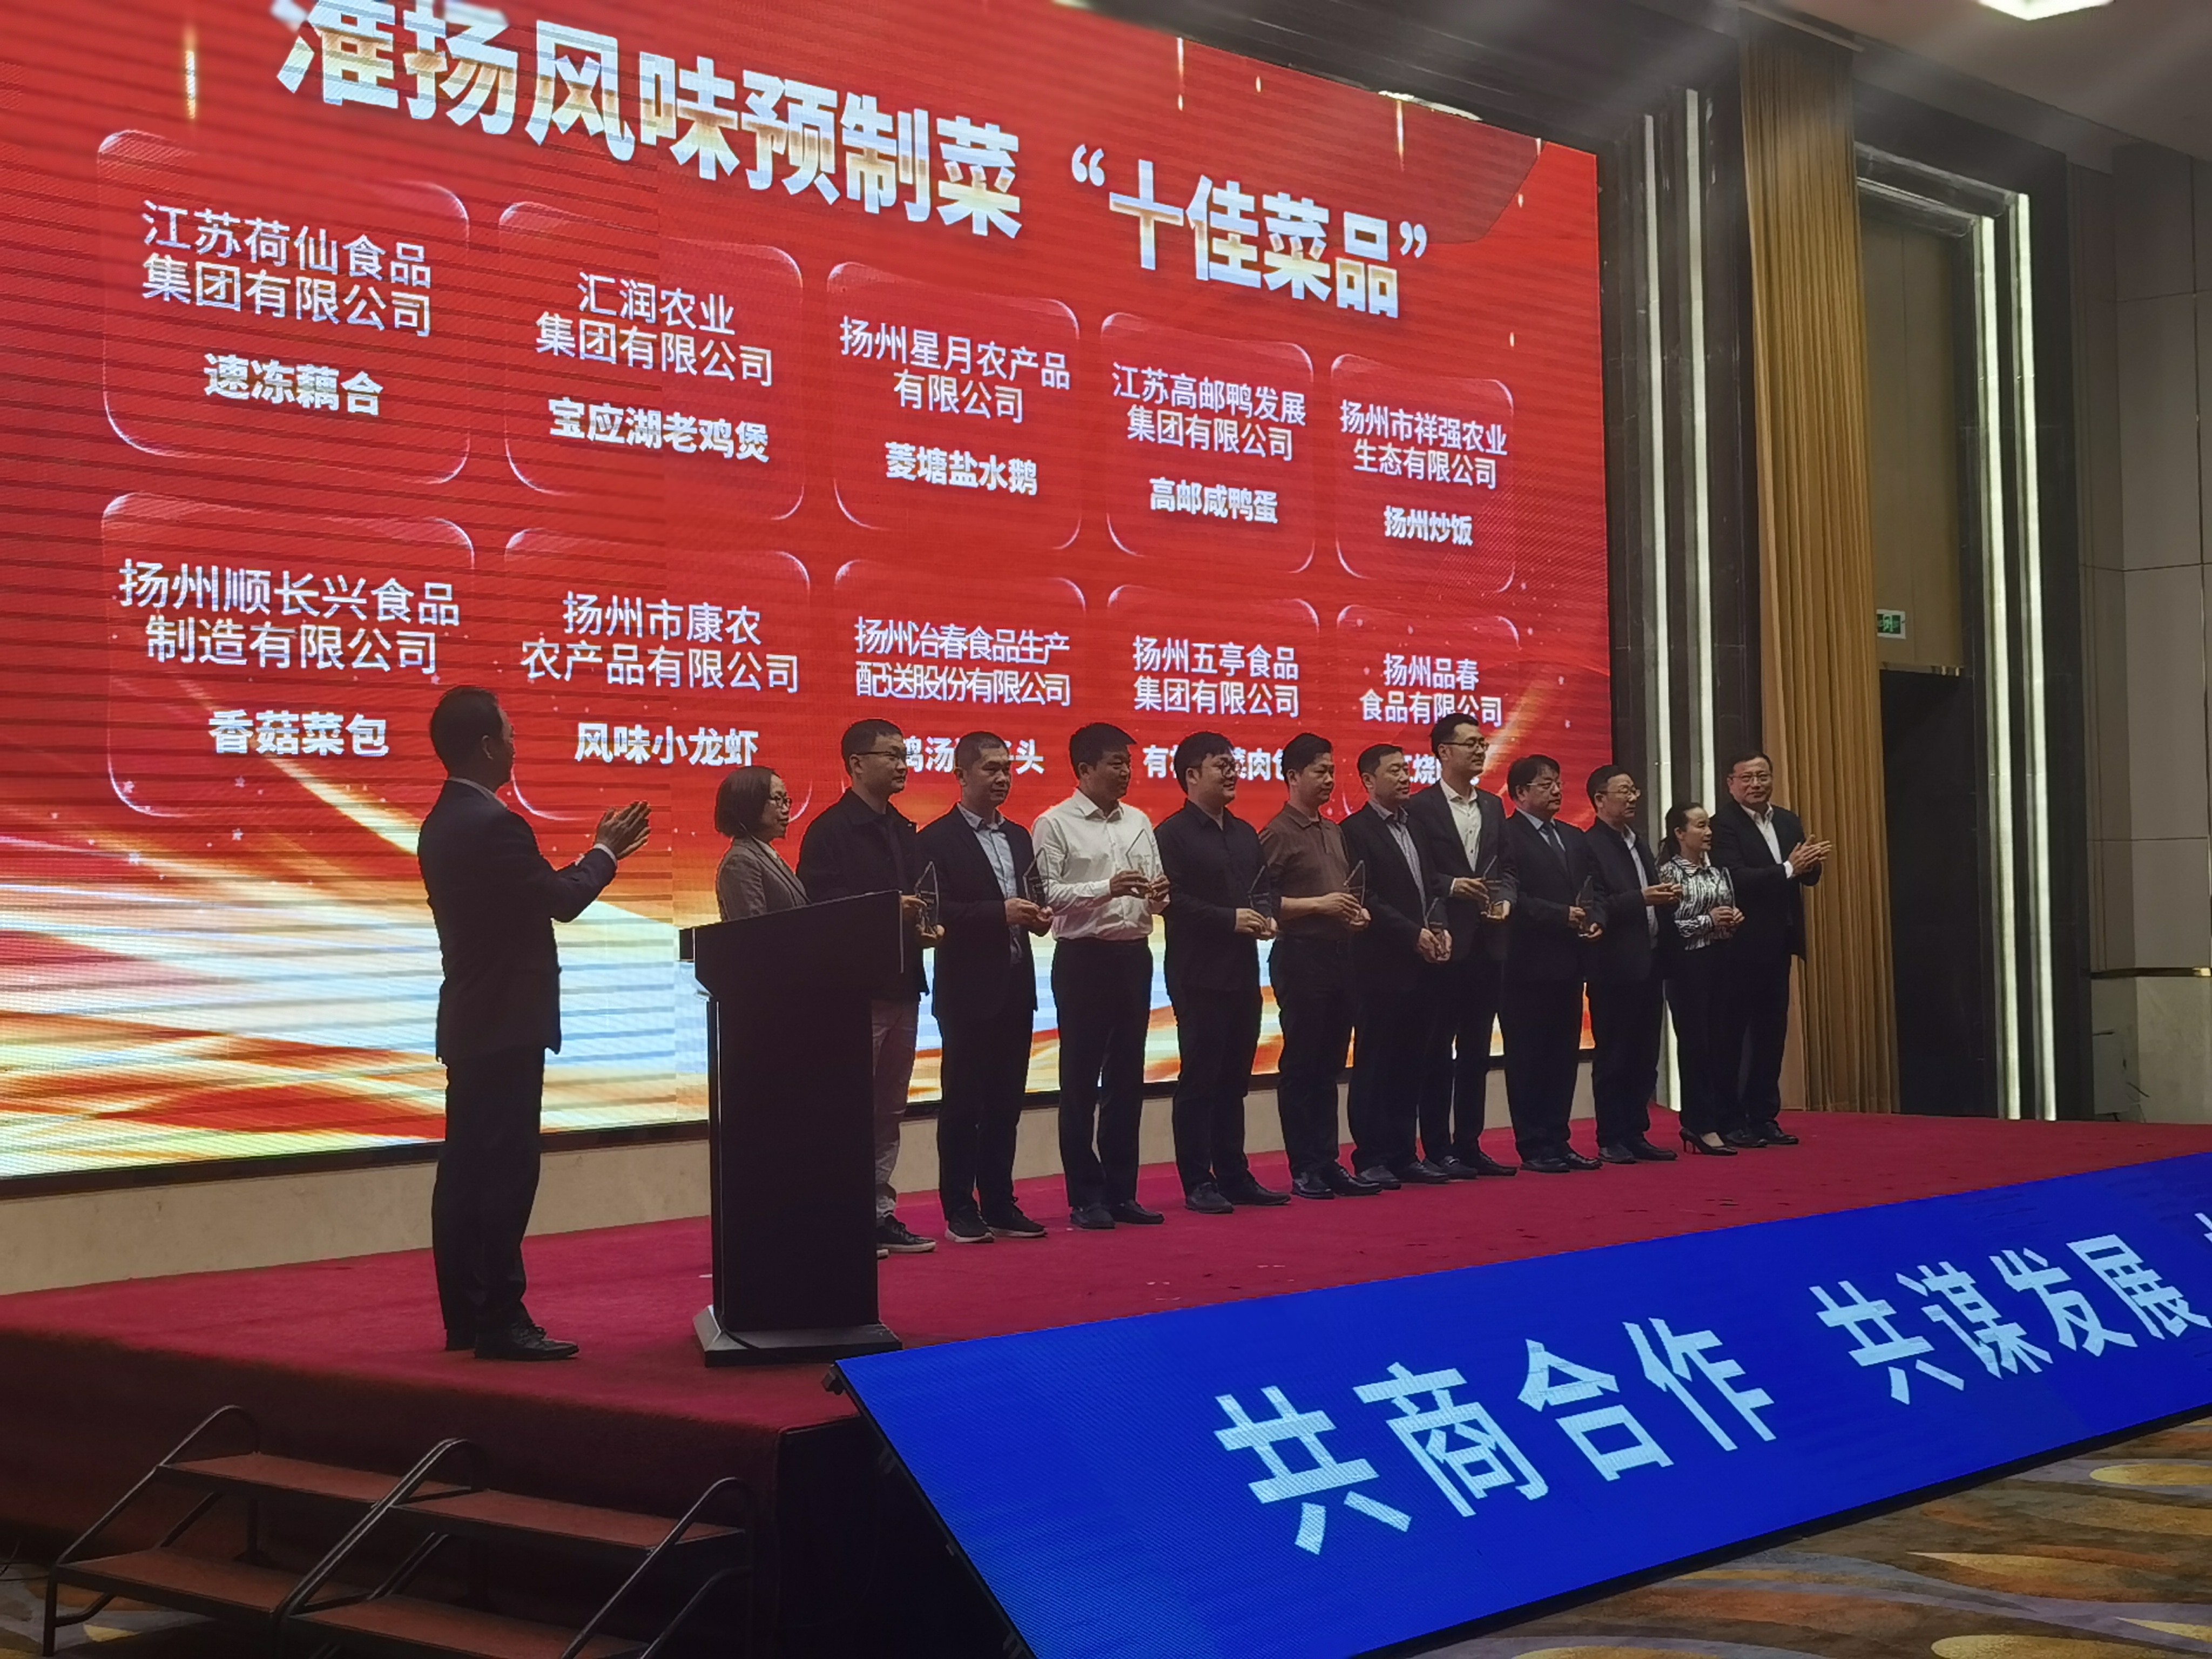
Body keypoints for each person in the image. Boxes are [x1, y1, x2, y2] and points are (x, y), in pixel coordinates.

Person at [417, 686, 650, 1361]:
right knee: (504, 1171)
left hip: (473, 1018)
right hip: (505, 1022)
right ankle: (502, 1320)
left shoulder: (442, 820)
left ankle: (468, 1317)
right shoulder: (495, 825)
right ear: (487, 746)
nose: (516, 746)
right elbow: (561, 899)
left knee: (466, 1169)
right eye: (511, 734)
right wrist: (605, 851)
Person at [797, 719, 943, 1254]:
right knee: (848, 1111)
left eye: (905, 754)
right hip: (853, 993)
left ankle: (879, 1213)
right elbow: (819, 911)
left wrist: (924, 928)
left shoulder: (903, 829)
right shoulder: (829, 832)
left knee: (888, 1111)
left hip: (903, 985)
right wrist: (887, 911)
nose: (903, 765)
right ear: (857, 764)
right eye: (891, 755)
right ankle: (840, 1216)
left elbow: (917, 899)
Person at [916, 732, 1053, 1245]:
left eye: (1008, 769)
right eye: (991, 769)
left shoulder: (1019, 836)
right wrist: (1001, 914)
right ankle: (959, 1208)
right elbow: (937, 911)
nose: (1002, 778)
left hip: (1016, 986)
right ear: (961, 774)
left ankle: (999, 1201)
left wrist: (1038, 918)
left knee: (1005, 1104)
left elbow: (1032, 897)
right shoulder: (935, 839)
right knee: (963, 1105)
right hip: (967, 990)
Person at [1033, 723, 1170, 1230]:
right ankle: (1085, 1196)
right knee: (1079, 1079)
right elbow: (1048, 894)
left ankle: (1122, 1191)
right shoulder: (1054, 823)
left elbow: (1154, 892)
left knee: (1127, 1079)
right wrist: (1107, 887)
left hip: (1134, 956)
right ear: (1084, 769)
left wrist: (1159, 896)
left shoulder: (1139, 820)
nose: (1126, 772)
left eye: (1128, 763)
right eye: (1116, 763)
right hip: (1083, 959)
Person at [1154, 731, 1289, 1216]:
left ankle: (1234, 1173)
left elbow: (1262, 889)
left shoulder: (1245, 832)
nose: (1233, 773)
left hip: (1242, 973)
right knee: (1200, 1080)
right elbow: (1172, 901)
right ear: (1192, 775)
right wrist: (1230, 919)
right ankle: (1198, 1180)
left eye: (1234, 764)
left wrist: (1267, 916)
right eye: (1221, 765)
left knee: (1235, 1079)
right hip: (1197, 974)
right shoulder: (1171, 835)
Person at [1259, 734, 1378, 1201]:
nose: (1329, 779)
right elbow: (1261, 900)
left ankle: (1328, 1161)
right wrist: (1318, 905)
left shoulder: (1333, 830)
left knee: (1330, 1064)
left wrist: (1354, 913)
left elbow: (1344, 891)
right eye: (1319, 771)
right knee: (1303, 1064)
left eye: (1331, 771)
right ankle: (1304, 1166)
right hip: (1300, 955)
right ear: (1293, 776)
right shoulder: (1277, 832)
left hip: (1340, 954)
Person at [1406, 712, 1516, 1178]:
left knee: (1477, 1051)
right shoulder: (1420, 807)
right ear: (1443, 752)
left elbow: (1507, 868)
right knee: (1436, 1050)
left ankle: (1470, 1143)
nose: (1480, 750)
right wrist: (1452, 886)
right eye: (1470, 743)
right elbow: (1415, 873)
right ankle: (1437, 1147)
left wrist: (1506, 899)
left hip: (1489, 942)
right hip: (1444, 942)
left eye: (1482, 743)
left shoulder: (1492, 806)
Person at [1340, 743, 1453, 1190]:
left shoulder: (1417, 827)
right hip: (1379, 966)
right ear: (1369, 781)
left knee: (1412, 1061)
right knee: (1376, 1062)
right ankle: (1371, 1156)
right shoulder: (1354, 830)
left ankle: (1404, 1153)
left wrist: (1440, 927)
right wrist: (1412, 933)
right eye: (1395, 771)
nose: (1406, 777)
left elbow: (1432, 887)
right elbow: (1367, 896)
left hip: (1423, 964)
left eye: (1406, 769)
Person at [1710, 751, 1830, 1148]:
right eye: (1747, 778)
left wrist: (1809, 863)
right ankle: (1730, 1119)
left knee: (1771, 1033)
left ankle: (1764, 1116)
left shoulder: (1788, 820)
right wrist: (1789, 868)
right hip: (1739, 946)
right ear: (1731, 784)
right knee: (1732, 1035)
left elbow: (1806, 878)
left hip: (1780, 942)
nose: (1756, 784)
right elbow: (1735, 879)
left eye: (1762, 776)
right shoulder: (1723, 825)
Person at [1498, 753, 1606, 1174]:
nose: (1557, 790)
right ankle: (1534, 1145)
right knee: (1528, 1057)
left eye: (1558, 782)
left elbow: (1593, 889)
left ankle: (1559, 1140)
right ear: (1520, 793)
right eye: (1546, 784)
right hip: (1525, 964)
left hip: (1570, 962)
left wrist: (1595, 919)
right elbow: (1510, 896)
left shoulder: (1574, 836)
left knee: (1563, 1056)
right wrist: (1559, 915)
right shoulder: (1506, 835)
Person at [1581, 766, 1681, 1165]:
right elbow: (1597, 903)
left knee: (1644, 1054)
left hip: (1650, 960)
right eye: (1624, 791)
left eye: (1635, 789)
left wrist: (1665, 898)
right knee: (1615, 1054)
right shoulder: (1589, 845)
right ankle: (1611, 1136)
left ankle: (1636, 1131)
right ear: (1600, 799)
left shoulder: (1637, 841)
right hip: (1614, 966)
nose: (1634, 797)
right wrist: (1642, 898)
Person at [1658, 802, 1746, 1155]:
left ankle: (1727, 1119)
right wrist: (1710, 921)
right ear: (1680, 834)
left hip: (1723, 959)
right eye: (1700, 826)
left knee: (1725, 1041)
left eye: (1708, 825)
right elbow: (1669, 927)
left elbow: (1728, 906)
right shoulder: (1668, 873)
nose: (1708, 832)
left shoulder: (1717, 870)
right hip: (1688, 966)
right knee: (1697, 1045)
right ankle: (1699, 1123)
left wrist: (1733, 917)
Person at [713, 766, 807, 920]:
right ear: (749, 804)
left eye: (786, 800)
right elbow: (753, 931)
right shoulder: (740, 862)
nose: (786, 809)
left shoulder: (763, 853)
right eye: (777, 799)